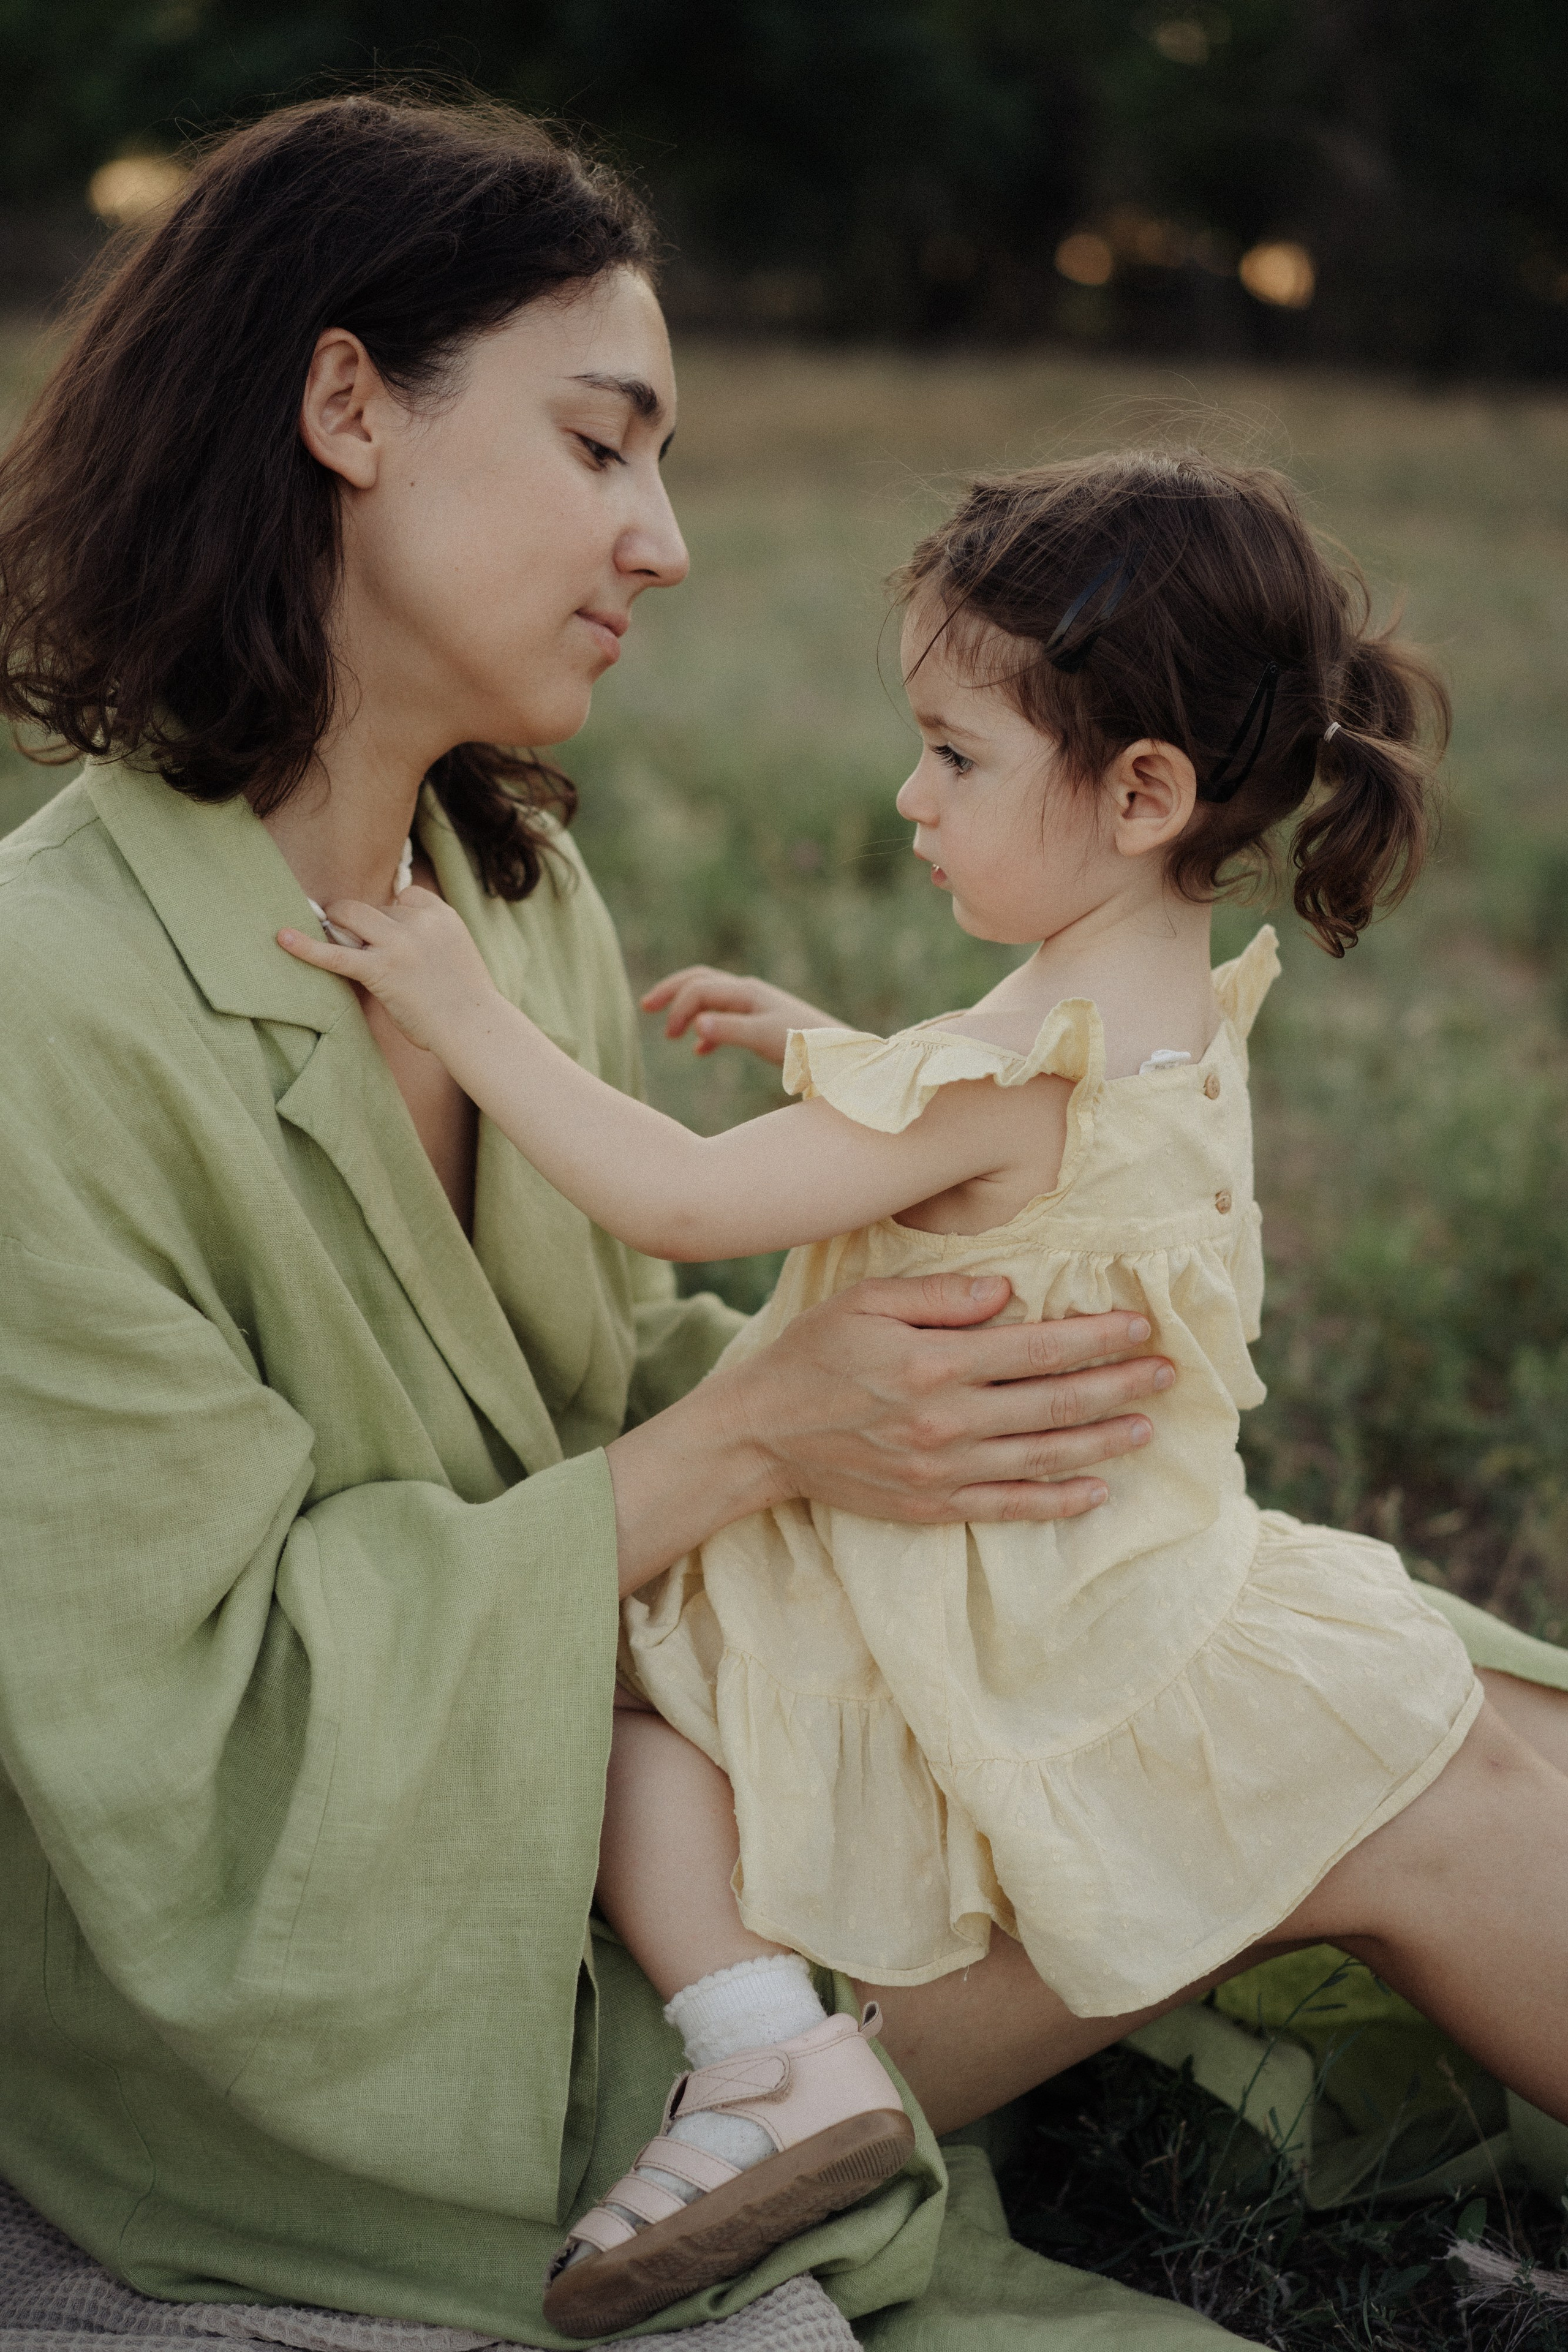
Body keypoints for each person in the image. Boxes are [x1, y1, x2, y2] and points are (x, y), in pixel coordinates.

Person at [0, 87, 1270, 2352]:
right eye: (607, 446)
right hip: (346, 2018)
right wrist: (766, 1439)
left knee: (1397, 1691)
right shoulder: (38, 1007)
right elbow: (179, 1745)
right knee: (1396, 1776)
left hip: (663, 1846)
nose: (665, 538)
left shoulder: (503, 894)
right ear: (344, 406)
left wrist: (942, 1392)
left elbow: (607, 1371)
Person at [281, 450, 1568, 2335]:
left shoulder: (998, 1071)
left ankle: (757, 2057)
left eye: (955, 755)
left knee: (640, 1711)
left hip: (1013, 1616)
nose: (909, 795)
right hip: (1132, 1565)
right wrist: (832, 1051)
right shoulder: (1164, 1014)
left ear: (1142, 791)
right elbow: (991, 1161)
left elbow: (686, 1197)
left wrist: (466, 1011)